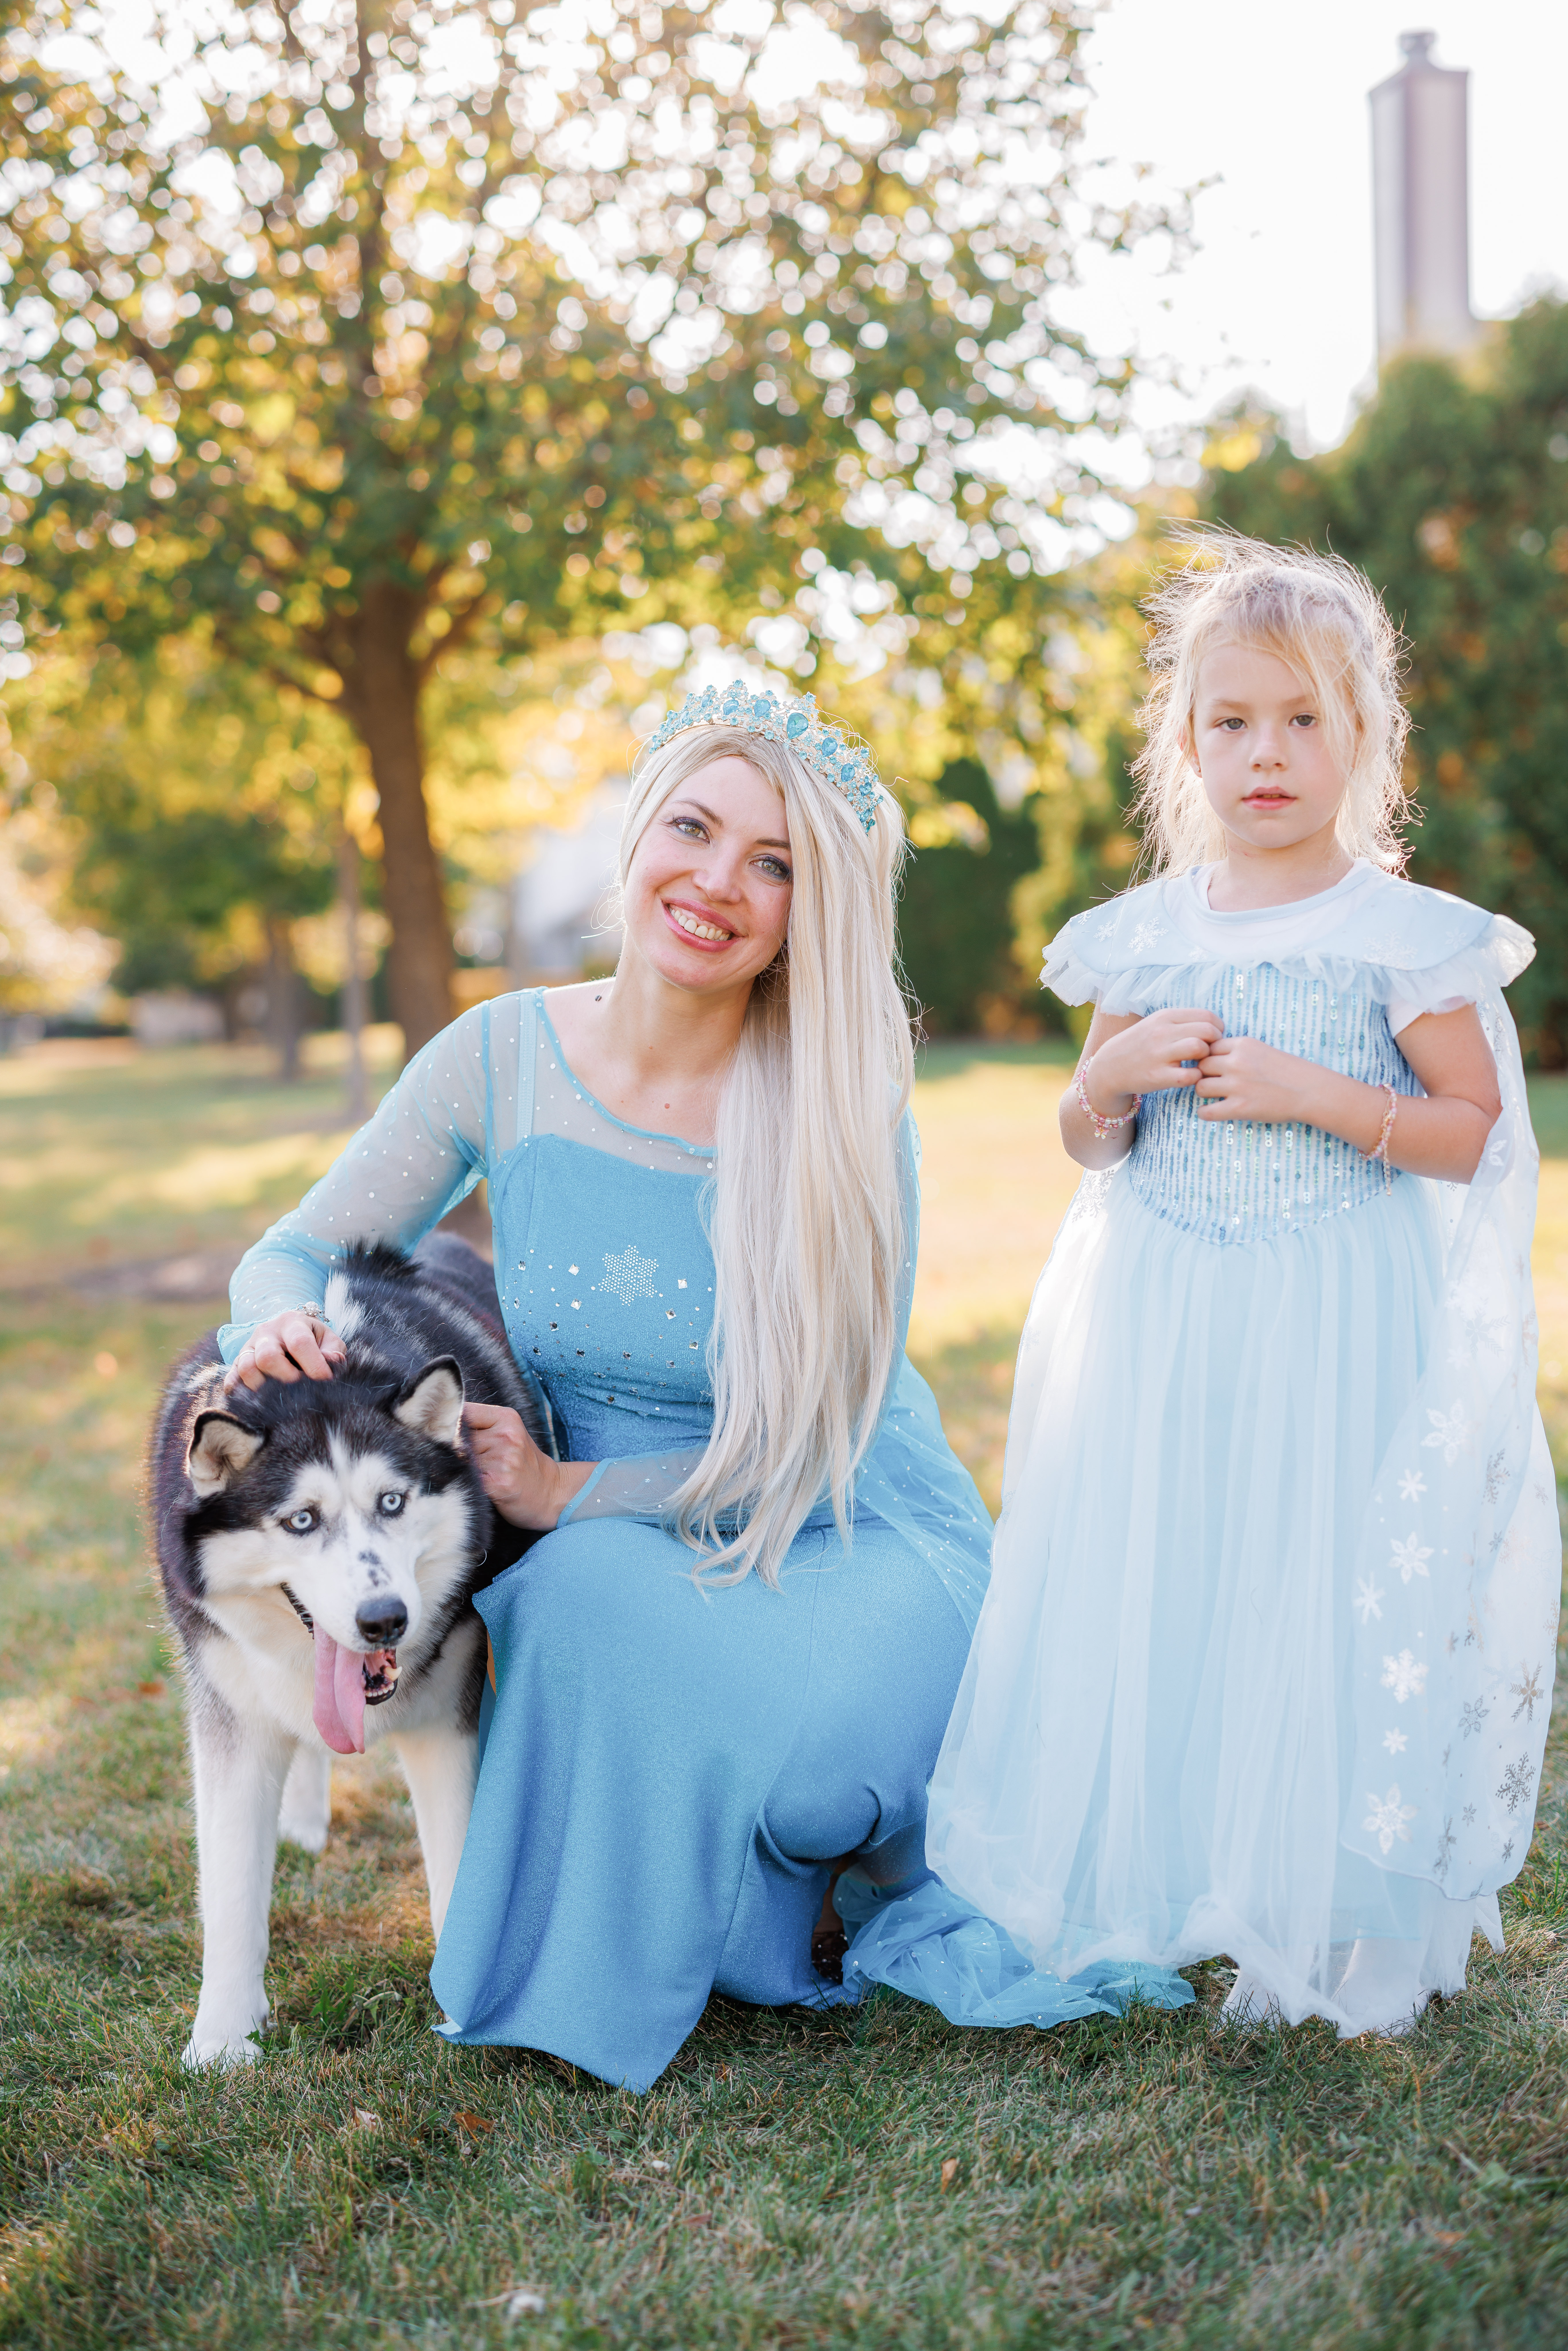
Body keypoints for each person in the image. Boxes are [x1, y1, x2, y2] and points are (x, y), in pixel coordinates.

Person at [216, 680, 994, 2090]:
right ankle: (700, 1912)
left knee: (815, 1770)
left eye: (774, 864)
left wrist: (573, 1487)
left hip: (840, 1515)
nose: (718, 882)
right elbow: (294, 1245)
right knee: (574, 1597)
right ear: (639, 836)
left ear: (808, 914)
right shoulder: (503, 1053)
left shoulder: (838, 1102)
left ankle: (794, 1865)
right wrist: (268, 1325)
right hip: (617, 1546)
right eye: (692, 829)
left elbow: (821, 1431)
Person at [858, 533, 1558, 2039]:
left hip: (1335, 1315)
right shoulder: (1147, 933)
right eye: (1231, 722)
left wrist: (1320, 1092)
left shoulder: (1399, 939)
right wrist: (1105, 1072)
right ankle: (1182, 1872)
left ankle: (1336, 1906)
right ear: (1185, 745)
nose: (1265, 753)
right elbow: (1084, 1137)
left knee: (1317, 1587)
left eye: (1303, 720)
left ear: (1363, 741)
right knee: (1177, 1580)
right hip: (1168, 1317)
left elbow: (1473, 1133)